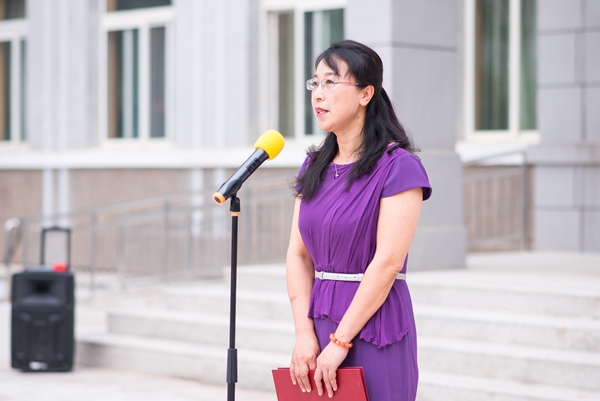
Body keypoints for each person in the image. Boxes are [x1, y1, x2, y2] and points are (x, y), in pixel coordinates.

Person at [285, 39, 432, 401]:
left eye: (330, 82)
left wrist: (340, 342)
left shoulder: (399, 167)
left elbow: (388, 263)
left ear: (366, 94)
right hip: (319, 321)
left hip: (375, 325)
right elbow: (298, 255)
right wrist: (304, 334)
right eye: (315, 83)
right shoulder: (313, 166)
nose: (318, 94)